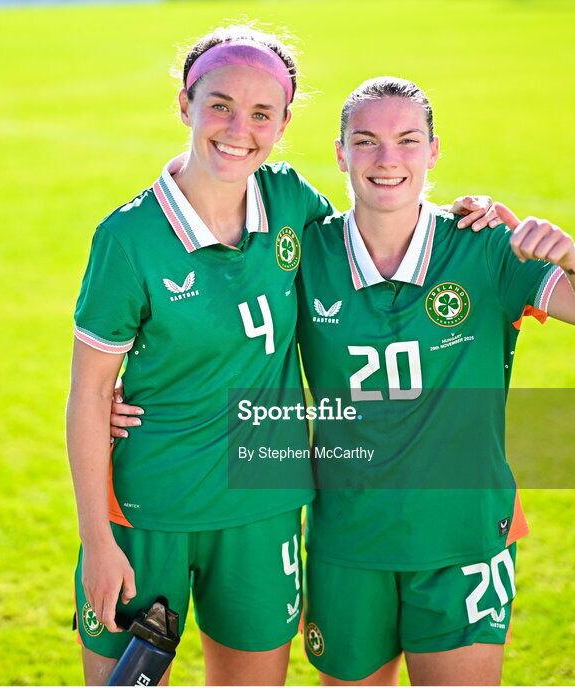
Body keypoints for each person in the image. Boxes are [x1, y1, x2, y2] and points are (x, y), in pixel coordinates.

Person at [67, 28, 499, 686]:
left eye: (262, 112)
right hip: (149, 508)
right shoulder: (127, 238)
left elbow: (378, 230)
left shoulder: (293, 201)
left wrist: (464, 216)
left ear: (285, 122)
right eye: (219, 104)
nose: (239, 128)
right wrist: (98, 542)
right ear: (185, 103)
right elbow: (89, 394)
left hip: (264, 507)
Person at [293, 77, 575, 686]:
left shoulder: (485, 248)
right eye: (366, 141)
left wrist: (571, 255)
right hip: (348, 537)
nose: (387, 159)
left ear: (433, 150)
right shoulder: (308, 250)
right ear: (341, 153)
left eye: (407, 140)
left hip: (464, 537)